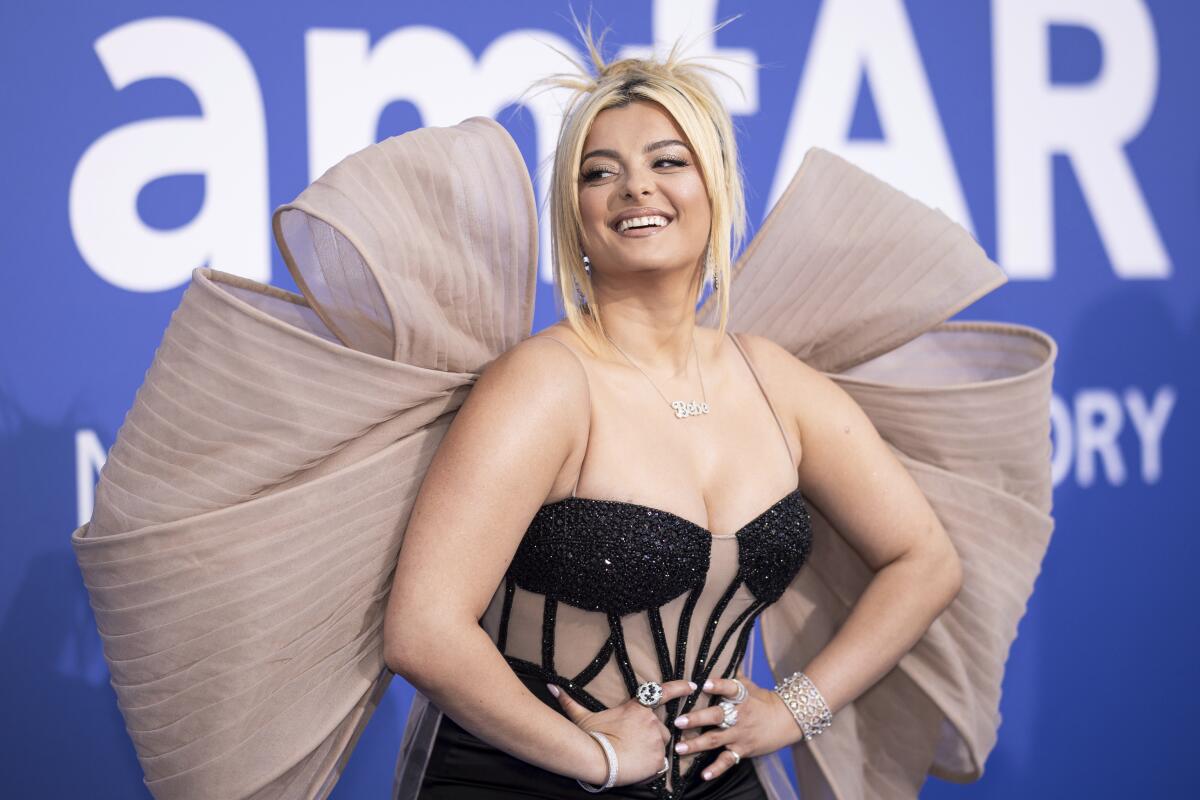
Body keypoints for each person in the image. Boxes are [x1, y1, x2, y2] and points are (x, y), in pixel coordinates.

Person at [70, 22, 1057, 800]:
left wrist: (791, 707)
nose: (636, 187)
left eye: (668, 160)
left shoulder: (777, 382)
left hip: (722, 781)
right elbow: (424, 628)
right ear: (574, 216)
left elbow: (925, 559)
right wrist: (591, 751)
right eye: (599, 169)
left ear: (716, 186)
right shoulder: (542, 385)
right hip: (520, 779)